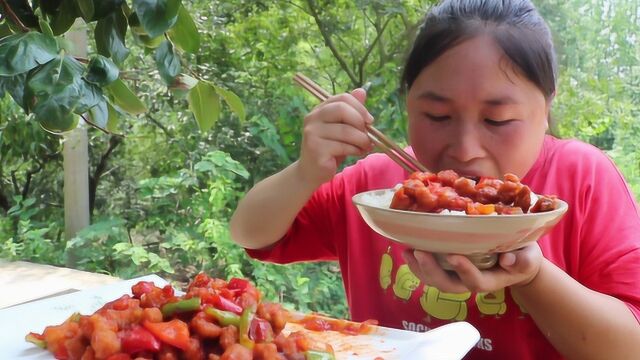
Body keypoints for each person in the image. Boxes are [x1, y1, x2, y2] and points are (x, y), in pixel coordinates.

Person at [230, 0, 640, 358]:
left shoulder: (582, 178)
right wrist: (305, 173)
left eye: (497, 119)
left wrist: (532, 276)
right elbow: (252, 234)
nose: (464, 148)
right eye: (437, 116)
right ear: (408, 101)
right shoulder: (378, 189)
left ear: (547, 106)